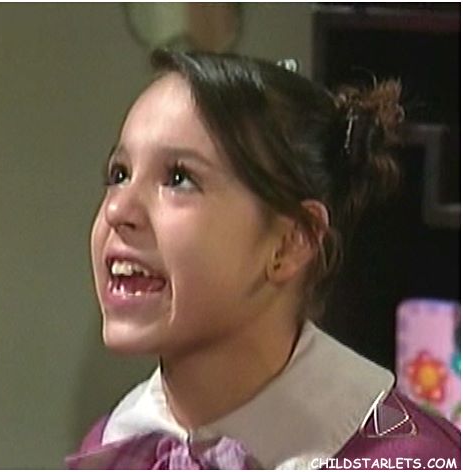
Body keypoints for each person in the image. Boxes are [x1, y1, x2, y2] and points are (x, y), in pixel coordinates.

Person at [66, 50, 460, 469]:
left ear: (291, 242)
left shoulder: (413, 459)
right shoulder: (113, 448)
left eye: (179, 178)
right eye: (119, 174)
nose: (117, 210)